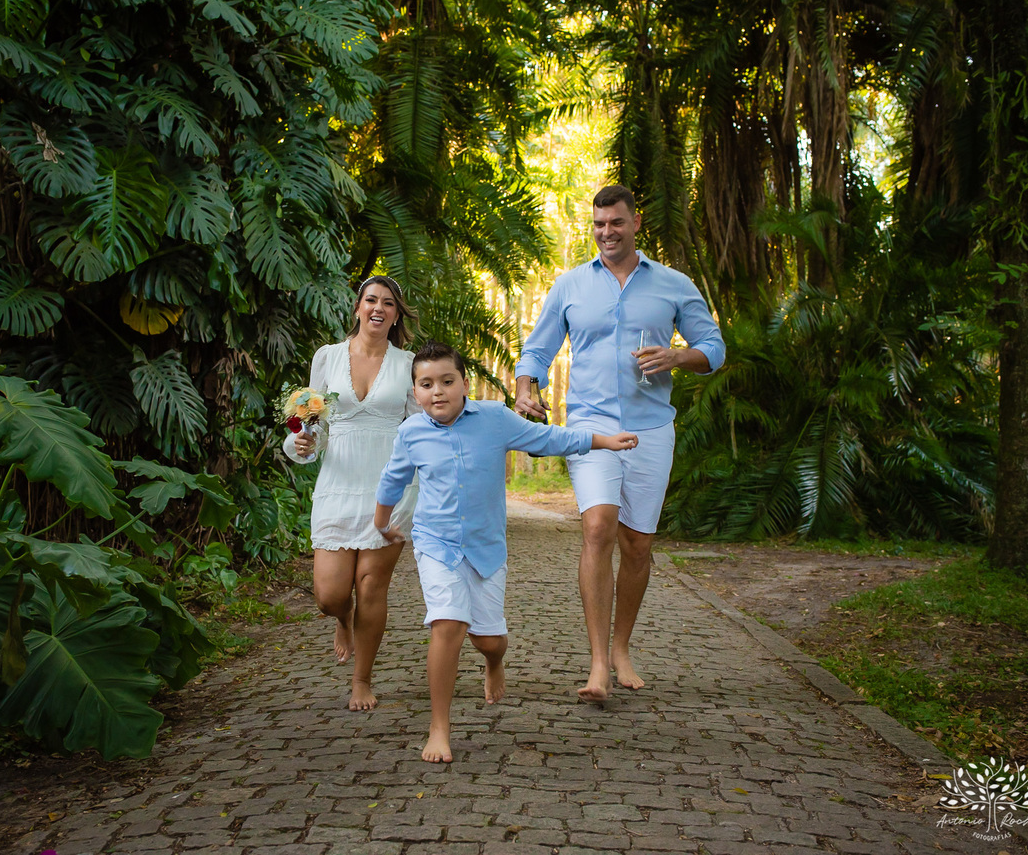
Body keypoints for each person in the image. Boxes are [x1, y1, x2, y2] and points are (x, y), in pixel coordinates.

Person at [374, 342, 638, 762]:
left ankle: (495, 662)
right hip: (436, 544)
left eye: (447, 381)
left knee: (490, 640)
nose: (438, 391)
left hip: (486, 549)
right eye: (426, 384)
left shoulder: (495, 419)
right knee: (448, 624)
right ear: (415, 392)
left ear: (464, 384)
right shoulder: (411, 432)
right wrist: (381, 522)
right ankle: (439, 728)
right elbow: (393, 479)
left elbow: (550, 438)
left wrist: (604, 441)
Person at [513, 185, 726, 703]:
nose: (606, 232)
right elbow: (537, 349)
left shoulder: (674, 285)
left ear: (636, 223)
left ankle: (622, 646)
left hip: (653, 429)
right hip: (591, 426)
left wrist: (678, 357)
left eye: (616, 223)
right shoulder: (569, 286)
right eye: (599, 224)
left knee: (638, 545)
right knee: (597, 526)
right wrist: (527, 387)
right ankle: (597, 666)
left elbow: (714, 348)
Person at [284, 275, 419, 711]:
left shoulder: (409, 363)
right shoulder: (327, 357)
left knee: (371, 585)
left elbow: (418, 430)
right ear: (358, 307)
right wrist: (300, 444)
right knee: (330, 595)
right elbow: (314, 425)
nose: (378, 308)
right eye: (371, 300)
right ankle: (342, 620)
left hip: (391, 487)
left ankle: (362, 680)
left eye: (388, 303)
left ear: (397, 314)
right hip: (338, 484)